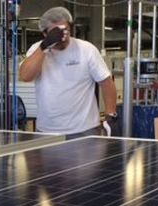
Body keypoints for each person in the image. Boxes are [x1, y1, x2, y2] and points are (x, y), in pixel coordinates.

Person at [19, 7, 119, 136]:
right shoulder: (37, 49)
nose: (63, 37)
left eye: (65, 30)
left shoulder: (86, 49)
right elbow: (25, 76)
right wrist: (44, 46)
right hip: (47, 130)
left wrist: (110, 115)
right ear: (45, 34)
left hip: (85, 129)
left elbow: (106, 82)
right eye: (57, 32)